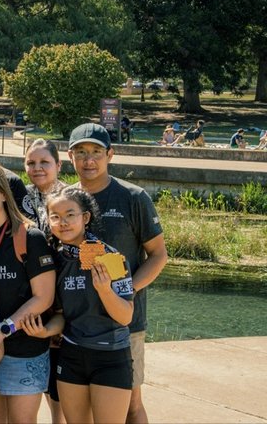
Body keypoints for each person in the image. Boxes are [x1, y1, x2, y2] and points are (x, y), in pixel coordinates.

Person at [67, 123, 167, 424]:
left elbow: (159, 255)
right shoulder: (66, 199)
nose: (89, 160)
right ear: (70, 157)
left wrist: (125, 291)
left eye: (96, 152)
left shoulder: (132, 197)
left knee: (132, 404)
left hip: (125, 322)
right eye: (81, 152)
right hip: (77, 325)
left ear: (110, 154)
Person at [26, 187, 134, 424]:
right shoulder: (55, 259)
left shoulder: (110, 257)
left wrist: (105, 290)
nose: (62, 222)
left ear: (85, 218)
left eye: (70, 215)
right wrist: (45, 331)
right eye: (55, 216)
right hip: (72, 353)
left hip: (110, 354)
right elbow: (64, 316)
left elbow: (125, 316)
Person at [0, 162, 56, 424]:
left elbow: (44, 297)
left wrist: (3, 329)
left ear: (3, 193)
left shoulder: (30, 237)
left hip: (22, 350)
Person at [21, 139, 67, 424]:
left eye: (44, 162)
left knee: (59, 383)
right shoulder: (21, 197)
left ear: (58, 165)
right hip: (31, 290)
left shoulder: (71, 197)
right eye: (31, 163)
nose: (37, 169)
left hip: (63, 290)